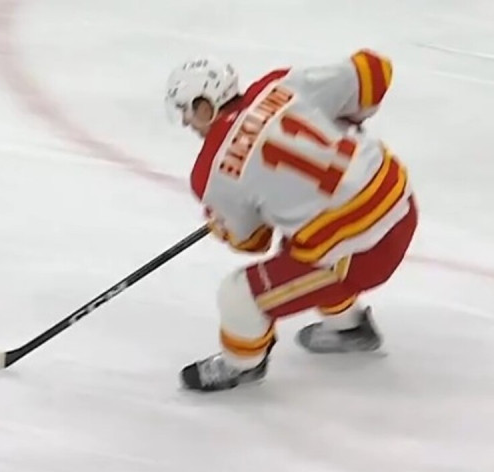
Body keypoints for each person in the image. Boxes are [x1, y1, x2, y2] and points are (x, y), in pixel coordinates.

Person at [164, 50, 418, 392]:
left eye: (186, 110)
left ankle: (242, 364)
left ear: (204, 105)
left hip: (361, 255)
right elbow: (374, 71)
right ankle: (348, 327)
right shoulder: (279, 84)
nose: (185, 122)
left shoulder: (210, 175)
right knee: (302, 238)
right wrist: (346, 120)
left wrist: (223, 224)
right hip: (401, 204)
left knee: (240, 295)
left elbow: (253, 241)